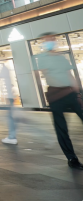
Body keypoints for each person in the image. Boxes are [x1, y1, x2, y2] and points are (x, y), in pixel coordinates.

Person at [33, 32, 83, 169]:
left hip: (70, 93)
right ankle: (72, 158)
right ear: (43, 43)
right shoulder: (41, 58)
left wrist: (78, 93)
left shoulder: (62, 58)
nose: (50, 41)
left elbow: (70, 75)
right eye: (47, 40)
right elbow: (41, 73)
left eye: (52, 39)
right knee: (61, 128)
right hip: (55, 95)